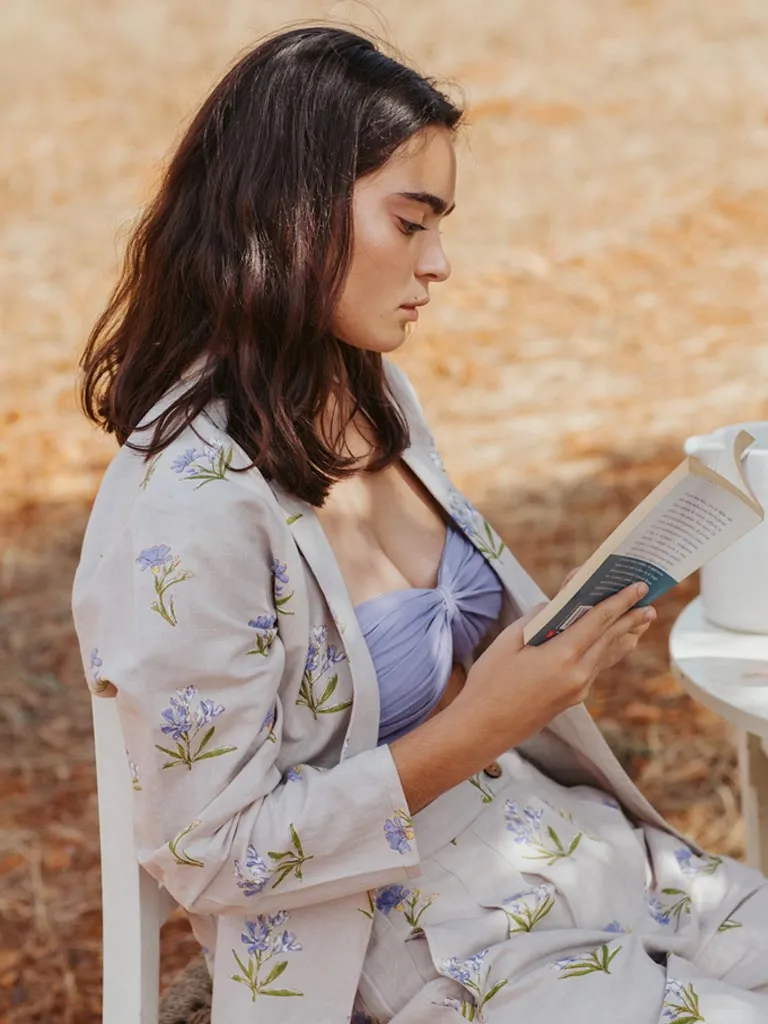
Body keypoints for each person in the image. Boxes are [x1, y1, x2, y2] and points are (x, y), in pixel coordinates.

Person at [72, 26, 768, 1024]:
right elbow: (213, 850)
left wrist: (559, 639)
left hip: (581, 852)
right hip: (424, 941)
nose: (438, 261)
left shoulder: (371, 389)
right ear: (290, 210)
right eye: (412, 221)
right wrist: (489, 717)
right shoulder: (190, 508)